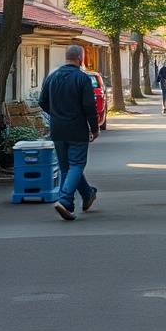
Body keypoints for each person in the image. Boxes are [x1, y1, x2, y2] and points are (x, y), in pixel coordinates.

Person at [38, 44, 99, 221]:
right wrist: (94, 128)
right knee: (77, 164)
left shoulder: (51, 77)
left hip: (58, 129)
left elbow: (43, 101)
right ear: (80, 58)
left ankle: (88, 194)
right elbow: (89, 106)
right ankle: (64, 201)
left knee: (67, 167)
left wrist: (57, 115)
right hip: (77, 129)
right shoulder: (82, 78)